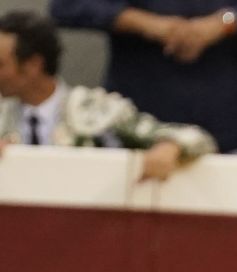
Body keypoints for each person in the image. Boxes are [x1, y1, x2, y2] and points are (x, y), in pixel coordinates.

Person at [46, 0, 237, 155]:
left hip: (229, 140)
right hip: (134, 137)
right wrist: (144, 23)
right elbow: (67, 6)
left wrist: (224, 24)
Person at [0, 9, 212, 179]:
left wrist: (169, 147)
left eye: (1, 65)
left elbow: (194, 138)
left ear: (33, 65)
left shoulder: (94, 110)